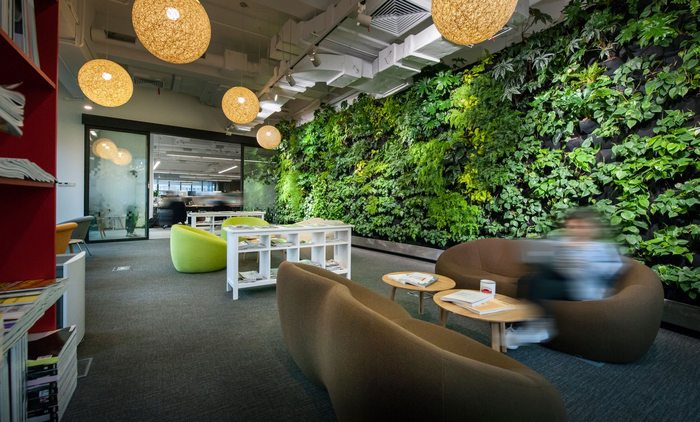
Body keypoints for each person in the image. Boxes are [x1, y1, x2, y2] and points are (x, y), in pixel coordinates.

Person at [506, 207, 625, 349]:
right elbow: (550, 261)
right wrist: (561, 252)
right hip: (566, 279)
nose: (575, 231)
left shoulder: (602, 249)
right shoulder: (567, 242)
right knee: (526, 279)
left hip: (582, 288)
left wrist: (580, 257)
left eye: (579, 227)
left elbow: (611, 269)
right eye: (571, 227)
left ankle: (541, 328)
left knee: (538, 284)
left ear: (591, 228)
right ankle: (521, 324)